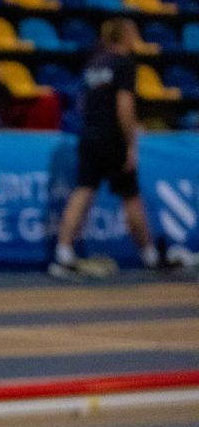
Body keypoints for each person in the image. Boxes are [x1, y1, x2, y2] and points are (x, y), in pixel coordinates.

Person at [49, 18, 160, 278]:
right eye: (133, 32)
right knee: (130, 195)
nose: (136, 37)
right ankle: (149, 255)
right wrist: (130, 142)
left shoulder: (93, 64)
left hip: (89, 134)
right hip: (113, 137)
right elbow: (124, 104)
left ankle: (63, 252)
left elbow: (82, 104)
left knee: (83, 190)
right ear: (123, 35)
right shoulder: (123, 63)